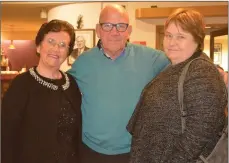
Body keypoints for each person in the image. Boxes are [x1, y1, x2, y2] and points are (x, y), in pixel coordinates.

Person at [67, 4, 170, 163]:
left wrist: (216, 72)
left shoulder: (151, 59)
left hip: (133, 152)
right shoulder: (83, 62)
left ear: (129, 31)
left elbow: (182, 63)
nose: (114, 32)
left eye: (121, 26)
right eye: (107, 26)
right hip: (90, 151)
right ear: (98, 30)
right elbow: (61, 86)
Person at [127, 8, 228, 163]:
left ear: (197, 39)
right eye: (168, 35)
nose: (171, 42)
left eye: (180, 36)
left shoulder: (201, 71)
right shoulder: (175, 65)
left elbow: (199, 134)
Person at [1, 19, 82, 163]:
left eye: (63, 45)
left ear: (68, 52)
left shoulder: (72, 84)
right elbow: (6, 136)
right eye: (51, 41)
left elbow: (76, 135)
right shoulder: (21, 85)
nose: (56, 49)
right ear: (38, 46)